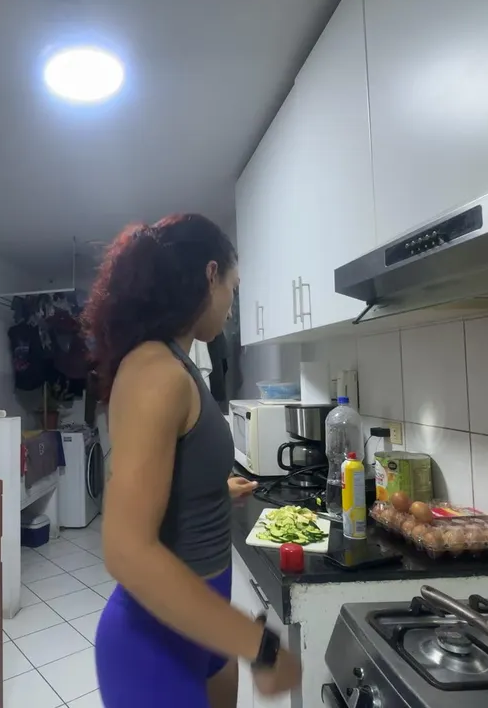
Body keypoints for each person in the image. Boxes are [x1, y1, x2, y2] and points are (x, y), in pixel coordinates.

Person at [82, 214, 302, 707]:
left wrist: (212, 491)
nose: (231, 305)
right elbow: (126, 550)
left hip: (203, 626)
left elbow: (168, 476)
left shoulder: (180, 363)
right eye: (233, 288)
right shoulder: (155, 370)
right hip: (153, 647)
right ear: (210, 274)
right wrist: (260, 647)